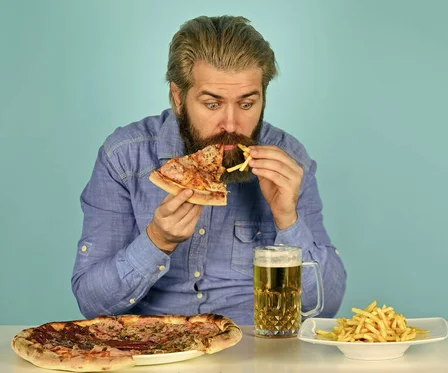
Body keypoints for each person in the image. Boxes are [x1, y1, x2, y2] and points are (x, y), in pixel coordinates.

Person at [71, 15, 347, 325]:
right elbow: (91, 302)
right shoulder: (124, 157)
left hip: (254, 350)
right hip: (153, 348)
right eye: (212, 104)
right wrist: (156, 241)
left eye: (246, 104)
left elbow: (326, 307)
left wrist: (288, 219)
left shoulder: (289, 159)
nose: (231, 125)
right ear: (178, 98)